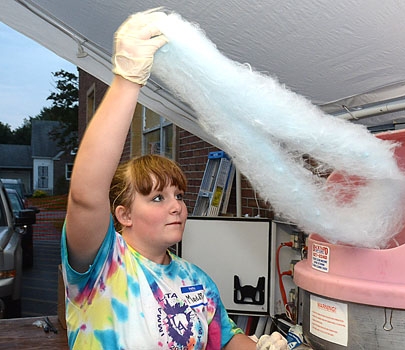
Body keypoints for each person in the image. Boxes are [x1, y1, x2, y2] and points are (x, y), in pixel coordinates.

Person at [61, 9, 288, 350]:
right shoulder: (103, 263)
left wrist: (264, 348)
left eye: (178, 196)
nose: (177, 207)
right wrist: (128, 80)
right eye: (157, 198)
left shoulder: (196, 280)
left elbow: (226, 341)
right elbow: (85, 197)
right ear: (123, 215)